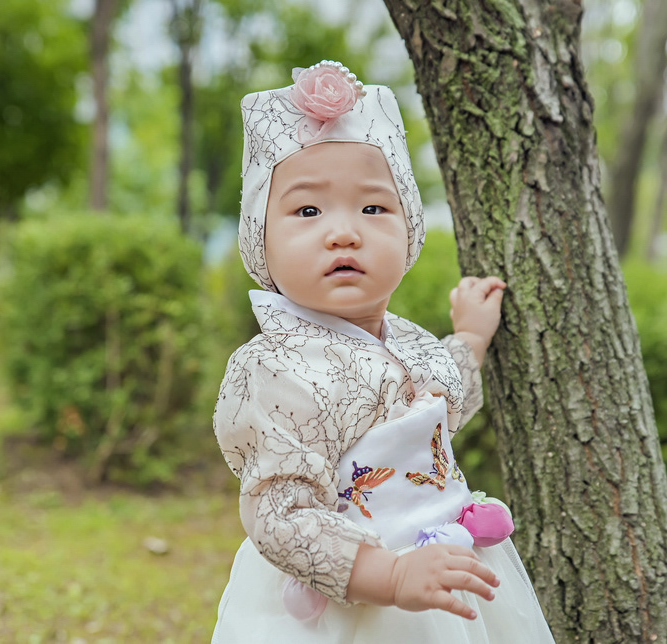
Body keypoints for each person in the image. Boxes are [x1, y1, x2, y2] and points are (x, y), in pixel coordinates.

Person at [212, 60, 556, 644]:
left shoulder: (409, 340)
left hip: (445, 564)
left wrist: (471, 338)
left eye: (373, 208)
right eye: (307, 211)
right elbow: (279, 514)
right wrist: (389, 575)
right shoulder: (273, 367)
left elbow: (441, 402)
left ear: (410, 227)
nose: (344, 232)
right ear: (259, 238)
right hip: (357, 594)